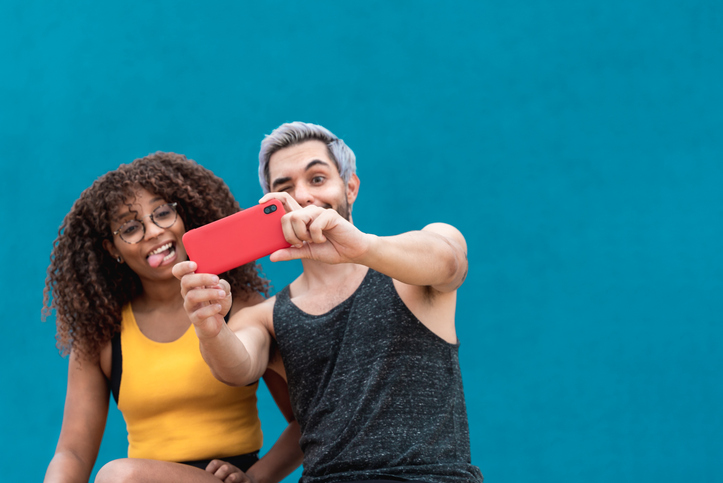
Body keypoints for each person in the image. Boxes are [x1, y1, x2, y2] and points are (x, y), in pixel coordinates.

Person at [175, 122, 484, 483]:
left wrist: (362, 247)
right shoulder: (266, 317)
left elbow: (449, 259)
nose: (303, 195)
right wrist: (209, 327)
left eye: (317, 178)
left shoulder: (414, 267)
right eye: (284, 187)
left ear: (350, 187)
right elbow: (237, 368)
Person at [42, 152, 303, 483]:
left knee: (118, 477)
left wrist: (255, 477)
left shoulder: (242, 307)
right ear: (112, 250)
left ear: (184, 217)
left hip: (220, 480)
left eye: (162, 213)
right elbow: (73, 453)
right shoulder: (103, 335)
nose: (152, 231)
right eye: (131, 227)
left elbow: (307, 420)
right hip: (141, 479)